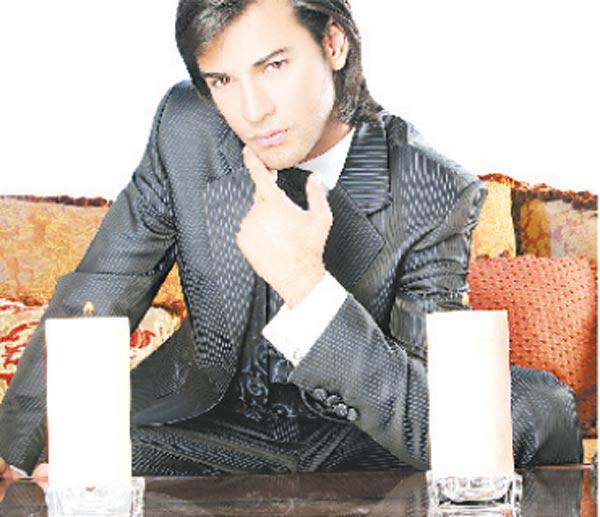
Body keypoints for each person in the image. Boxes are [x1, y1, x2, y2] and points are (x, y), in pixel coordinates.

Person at [0, 0, 582, 480]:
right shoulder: (187, 128)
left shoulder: (431, 187)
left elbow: (431, 414)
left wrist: (307, 287)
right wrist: (10, 453)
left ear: (333, 43)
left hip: (363, 438)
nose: (252, 111)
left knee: (537, 411)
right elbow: (102, 290)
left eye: (274, 65)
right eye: (223, 80)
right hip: (205, 426)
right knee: (73, 467)